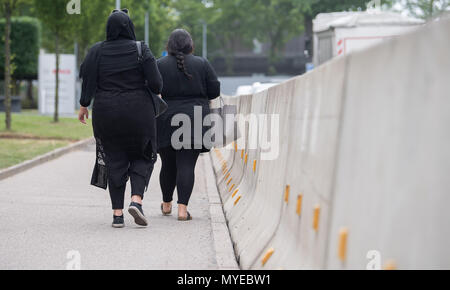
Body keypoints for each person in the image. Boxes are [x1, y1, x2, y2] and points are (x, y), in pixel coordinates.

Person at [78, 9, 163, 228]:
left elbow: (87, 77)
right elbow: (156, 84)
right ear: (130, 27)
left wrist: (84, 104)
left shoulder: (97, 50)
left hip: (106, 112)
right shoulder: (140, 48)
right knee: (144, 154)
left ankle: (117, 214)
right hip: (139, 112)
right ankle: (136, 200)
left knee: (114, 157)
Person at [157, 29, 221, 221]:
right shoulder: (202, 63)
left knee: (167, 164)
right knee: (186, 164)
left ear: (169, 45)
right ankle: (182, 210)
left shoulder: (159, 64)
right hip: (194, 118)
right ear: (190, 45)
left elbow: (150, 88)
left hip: (166, 118)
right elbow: (214, 90)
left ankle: (167, 204)